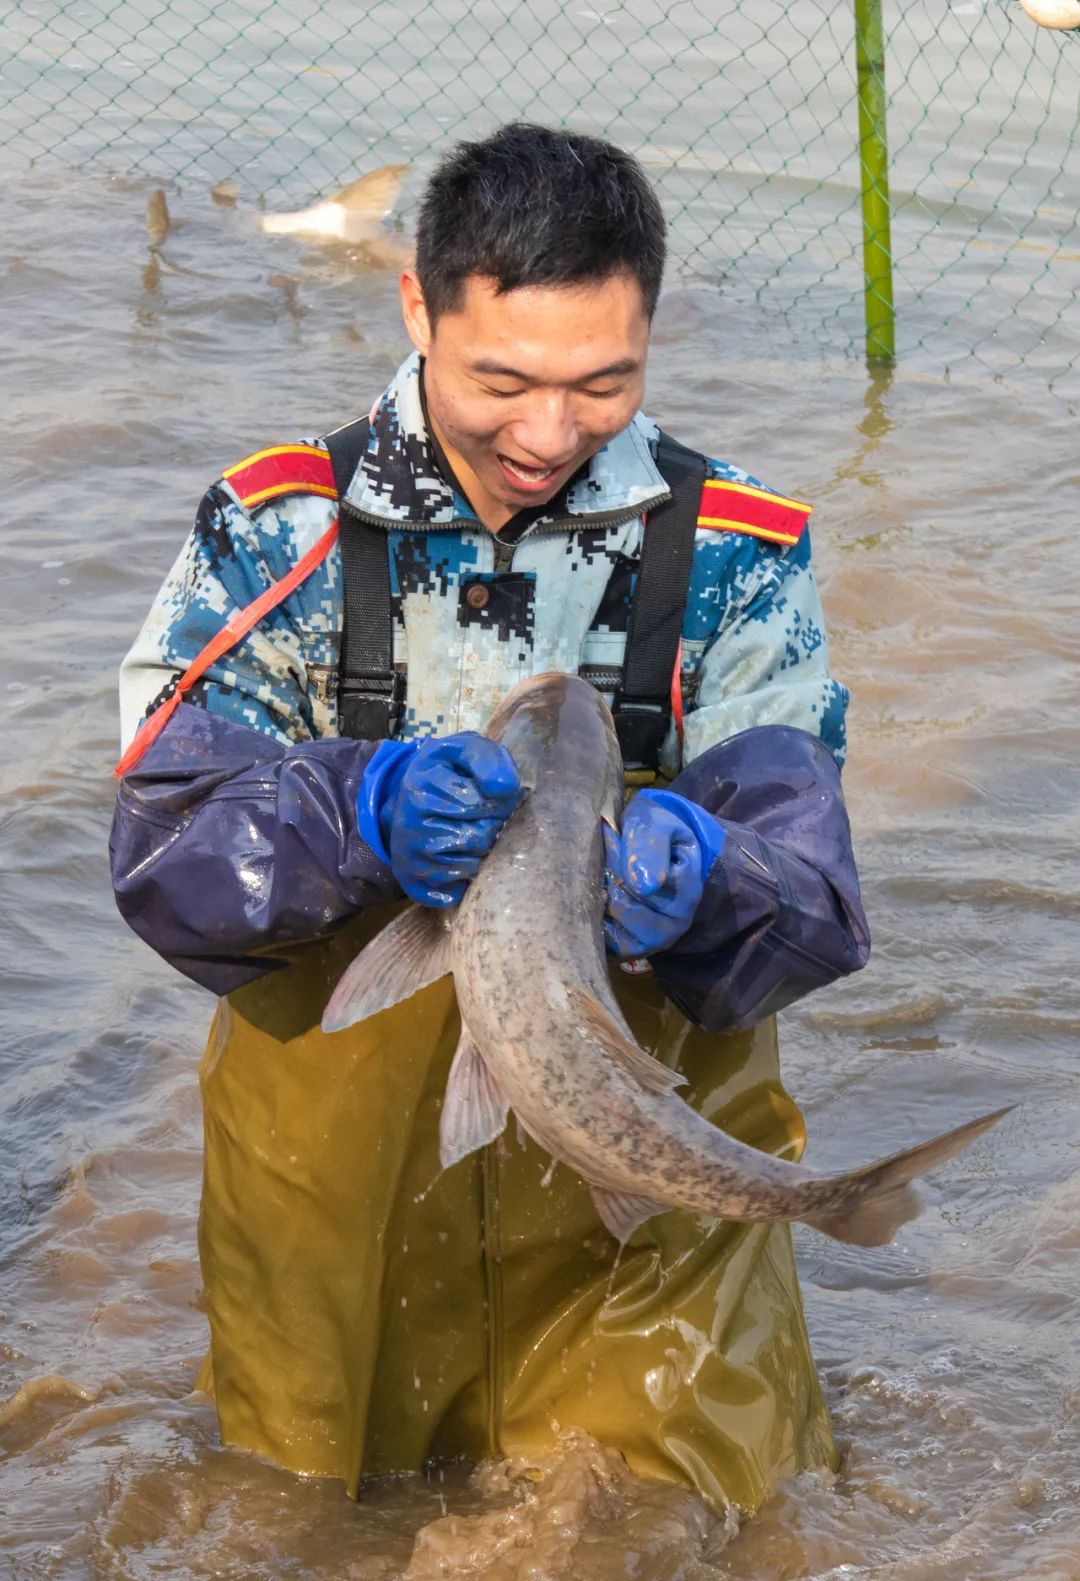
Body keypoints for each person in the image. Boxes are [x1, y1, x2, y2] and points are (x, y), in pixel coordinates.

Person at [110, 123, 870, 1513]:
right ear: (416, 306)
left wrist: (713, 880)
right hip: (335, 1201)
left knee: (692, 1525)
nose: (547, 435)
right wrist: (356, 812)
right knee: (290, 1513)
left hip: (645, 1187)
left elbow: (817, 899)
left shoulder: (736, 554)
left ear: (653, 325)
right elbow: (162, 850)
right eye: (502, 381)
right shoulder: (279, 534)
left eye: (603, 384)